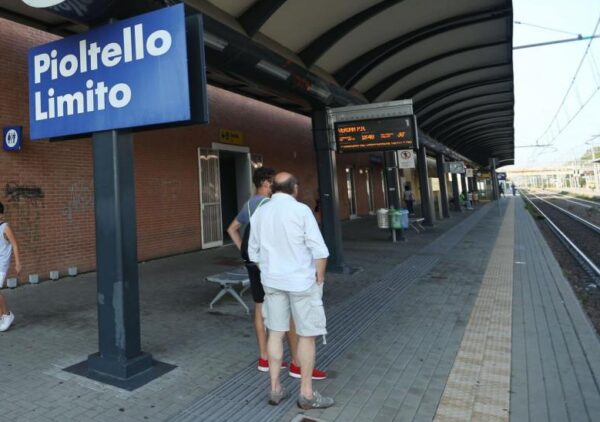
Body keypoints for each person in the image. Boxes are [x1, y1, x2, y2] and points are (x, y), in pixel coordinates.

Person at [226, 169, 327, 380]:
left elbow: (232, 229)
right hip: (278, 268)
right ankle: (296, 363)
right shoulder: (271, 205)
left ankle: (264, 358)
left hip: (259, 266)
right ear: (266, 183)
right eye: (271, 181)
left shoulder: (250, 204)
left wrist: (247, 254)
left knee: (261, 309)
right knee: (288, 315)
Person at [249, 172, 334, 410]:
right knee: (306, 335)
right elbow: (320, 251)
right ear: (294, 188)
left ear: (272, 188)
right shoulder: (301, 211)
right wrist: (320, 278)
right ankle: (306, 393)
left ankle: (275, 388)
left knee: (275, 333)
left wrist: (270, 270)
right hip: (301, 283)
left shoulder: (260, 212)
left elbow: (253, 253)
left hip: (272, 283)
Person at [0, 202, 21, 332]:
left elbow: (15, 245)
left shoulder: (5, 227)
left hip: (2, 264)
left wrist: (18, 263)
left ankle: (7, 314)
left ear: (1, 214)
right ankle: (2, 315)